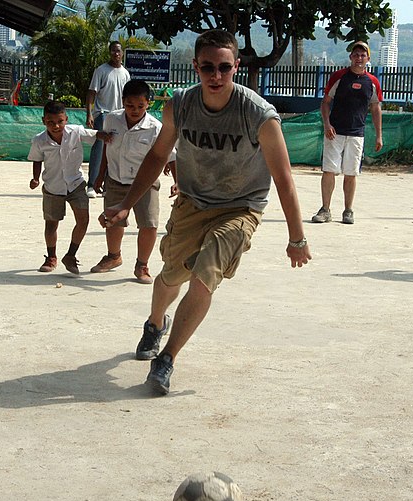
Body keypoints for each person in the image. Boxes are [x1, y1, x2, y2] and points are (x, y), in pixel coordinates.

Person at [101, 30, 311, 395]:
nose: (216, 76)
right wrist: (125, 204)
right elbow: (156, 156)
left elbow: (284, 179)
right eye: (208, 67)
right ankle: (155, 323)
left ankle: (166, 358)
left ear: (236, 67)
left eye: (225, 68)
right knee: (171, 275)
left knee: (204, 274)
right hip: (192, 203)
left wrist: (297, 238)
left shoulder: (259, 115)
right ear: (196, 66)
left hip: (240, 207)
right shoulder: (179, 105)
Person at [90, 79, 177, 284]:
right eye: (129, 105)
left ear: (148, 103)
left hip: (145, 184)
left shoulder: (156, 128)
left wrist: (177, 181)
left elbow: (171, 155)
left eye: (140, 106)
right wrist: (99, 175)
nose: (134, 110)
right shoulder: (111, 120)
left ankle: (142, 264)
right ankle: (113, 256)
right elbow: (106, 148)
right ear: (122, 102)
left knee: (149, 224)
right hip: (115, 179)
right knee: (112, 222)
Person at [28, 100, 113, 274]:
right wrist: (35, 178)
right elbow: (37, 159)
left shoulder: (75, 131)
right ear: (44, 121)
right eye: (50, 122)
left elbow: (95, 134)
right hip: (53, 187)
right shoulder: (39, 140)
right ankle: (51, 257)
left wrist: (107, 135)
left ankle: (71, 255)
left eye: (60, 121)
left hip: (75, 184)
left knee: (83, 220)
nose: (56, 126)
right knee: (51, 225)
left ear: (66, 119)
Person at [311, 40, 382, 225]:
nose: (359, 58)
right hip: (335, 132)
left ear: (368, 58)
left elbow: (376, 108)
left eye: (362, 55)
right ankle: (325, 210)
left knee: (351, 173)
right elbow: (326, 102)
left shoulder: (372, 82)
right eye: (356, 55)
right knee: (329, 171)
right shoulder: (339, 77)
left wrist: (379, 135)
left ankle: (348, 211)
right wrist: (327, 124)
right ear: (351, 57)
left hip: (357, 134)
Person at [86, 41, 130, 199]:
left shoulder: (125, 73)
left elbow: (127, 96)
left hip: (119, 114)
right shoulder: (101, 70)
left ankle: (106, 185)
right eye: (113, 51)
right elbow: (91, 93)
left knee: (114, 150)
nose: (116, 54)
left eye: (118, 51)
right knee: (99, 147)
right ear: (109, 52)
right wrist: (89, 113)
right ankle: (91, 184)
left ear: (122, 53)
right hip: (103, 113)